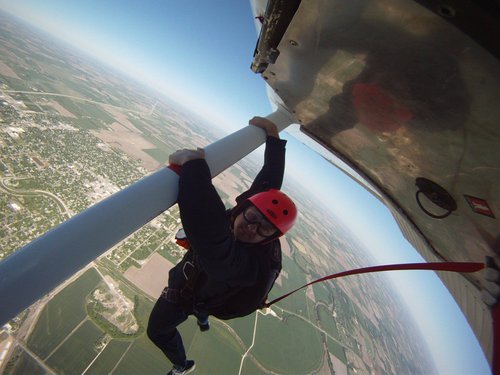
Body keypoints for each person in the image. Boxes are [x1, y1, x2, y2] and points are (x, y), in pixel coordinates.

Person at [147, 116, 297, 375]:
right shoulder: (254, 214)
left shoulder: (253, 266)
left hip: (193, 295)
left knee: (158, 330)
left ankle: (181, 365)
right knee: (204, 303)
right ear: (245, 205)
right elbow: (269, 186)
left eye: (264, 229)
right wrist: (273, 138)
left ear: (271, 239)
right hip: (210, 289)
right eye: (252, 217)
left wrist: (194, 165)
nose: (252, 228)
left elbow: (211, 235)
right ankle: (203, 318)